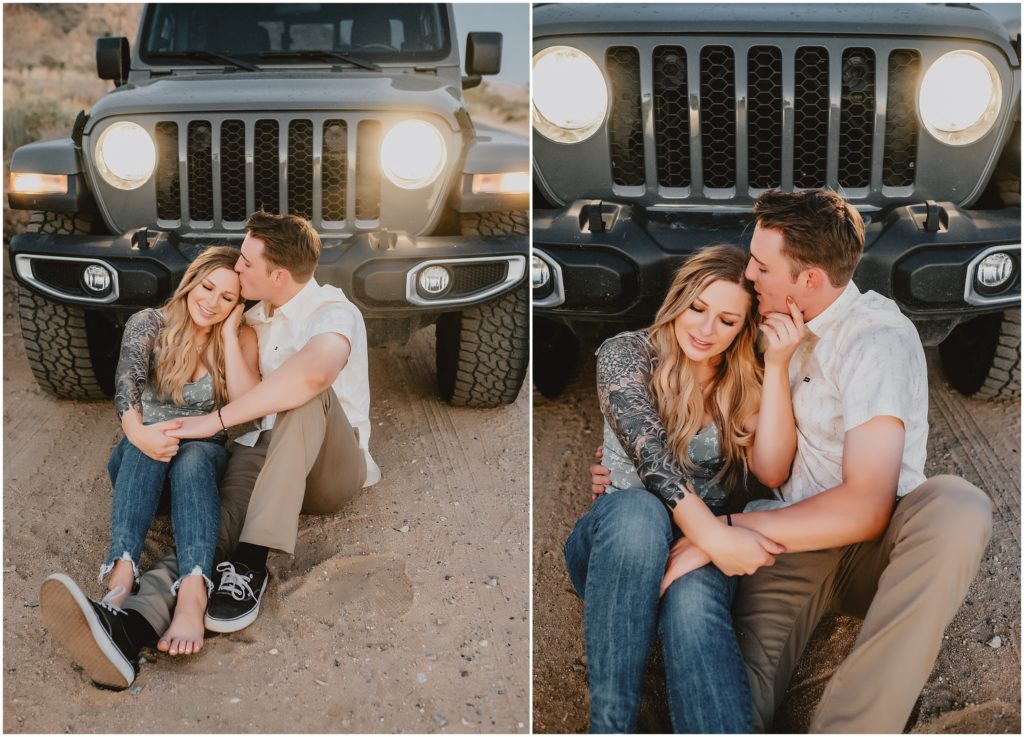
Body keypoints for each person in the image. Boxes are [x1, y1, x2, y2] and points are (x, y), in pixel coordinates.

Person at [588, 189, 993, 733]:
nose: (750, 274)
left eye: (761, 266)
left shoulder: (873, 340)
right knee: (731, 692)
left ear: (809, 280)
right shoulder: (769, 326)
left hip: (867, 543)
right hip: (786, 540)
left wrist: (722, 531)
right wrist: (626, 471)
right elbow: (753, 466)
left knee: (958, 503)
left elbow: (865, 507)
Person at [37, 211, 380, 690]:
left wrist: (212, 422)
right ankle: (129, 627)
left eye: (246, 264)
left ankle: (251, 561)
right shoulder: (252, 319)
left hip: (327, 464)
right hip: (262, 454)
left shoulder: (332, 311)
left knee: (304, 394)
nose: (237, 269)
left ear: (278, 275)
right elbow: (239, 405)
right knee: (206, 529)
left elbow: (315, 374)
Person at [566, 244, 805, 733]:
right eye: (697, 308)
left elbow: (772, 472)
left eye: (727, 320)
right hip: (618, 554)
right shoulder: (625, 355)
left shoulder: (743, 382)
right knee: (638, 512)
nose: (705, 329)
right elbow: (651, 459)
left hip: (697, 555)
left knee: (695, 596)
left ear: (744, 328)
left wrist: (779, 367)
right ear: (678, 298)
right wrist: (716, 537)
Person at [40, 247, 261, 685]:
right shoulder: (151, 323)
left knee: (195, 453)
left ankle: (193, 594)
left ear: (239, 304)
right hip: (143, 466)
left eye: (228, 298)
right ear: (191, 282)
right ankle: (120, 579)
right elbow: (127, 384)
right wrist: (139, 433)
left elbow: (247, 404)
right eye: (207, 287)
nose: (212, 302)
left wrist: (230, 335)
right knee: (150, 442)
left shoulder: (240, 338)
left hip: (197, 474)